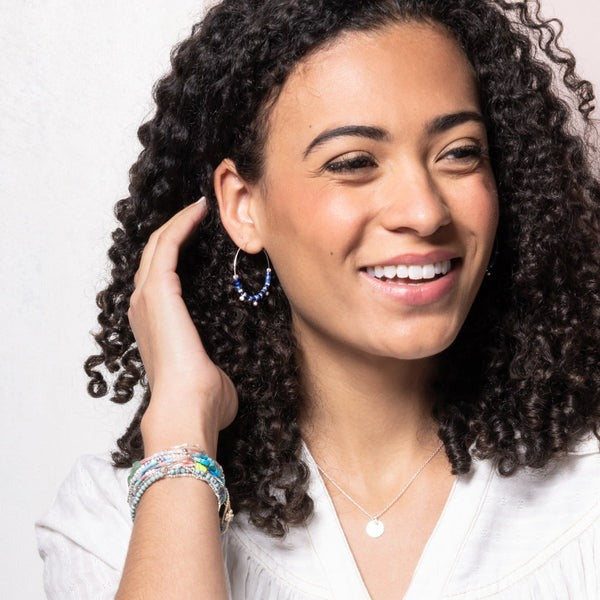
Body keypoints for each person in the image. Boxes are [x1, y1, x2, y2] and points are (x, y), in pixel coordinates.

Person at [35, 0, 600, 598]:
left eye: (459, 152)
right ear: (243, 206)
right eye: (354, 162)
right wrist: (182, 430)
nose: (425, 211)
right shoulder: (112, 524)